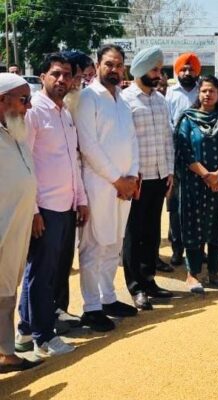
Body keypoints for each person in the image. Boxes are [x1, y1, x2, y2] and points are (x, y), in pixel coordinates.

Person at [14, 54, 88, 357]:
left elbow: (73, 160)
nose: (62, 80)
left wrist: (81, 199)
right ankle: (44, 337)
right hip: (44, 207)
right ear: (42, 76)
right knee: (42, 273)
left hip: (66, 205)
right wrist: (32, 210)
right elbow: (24, 161)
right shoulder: (33, 113)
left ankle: (25, 330)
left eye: (67, 74)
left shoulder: (66, 112)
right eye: (55, 74)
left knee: (47, 270)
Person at [75, 44, 140, 332]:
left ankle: (108, 298)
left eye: (118, 65)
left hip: (124, 187)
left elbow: (132, 141)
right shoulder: (88, 98)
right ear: (98, 65)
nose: (114, 70)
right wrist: (117, 179)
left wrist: (133, 177)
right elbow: (88, 145)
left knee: (114, 243)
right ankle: (91, 307)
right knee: (94, 245)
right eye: (109, 64)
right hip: (99, 185)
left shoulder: (122, 101)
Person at [174, 76, 218, 294]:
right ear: (198, 93)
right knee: (194, 225)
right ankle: (192, 274)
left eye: (212, 91)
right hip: (195, 183)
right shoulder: (188, 119)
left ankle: (214, 273)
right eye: (204, 91)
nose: (207, 95)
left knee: (217, 224)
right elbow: (184, 150)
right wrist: (206, 175)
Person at [121, 46, 175, 311]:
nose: (159, 75)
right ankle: (136, 287)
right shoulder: (125, 100)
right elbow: (122, 141)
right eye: (155, 70)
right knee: (134, 233)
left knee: (152, 231)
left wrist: (170, 171)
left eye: (160, 70)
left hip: (159, 175)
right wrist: (129, 175)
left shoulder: (160, 100)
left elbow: (167, 138)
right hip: (137, 179)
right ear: (141, 70)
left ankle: (149, 280)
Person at [0, 73, 42, 373]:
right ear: (2, 100)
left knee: (6, 291)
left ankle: (6, 353)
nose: (28, 106)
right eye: (24, 100)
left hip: (17, 226)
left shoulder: (15, 130)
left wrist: (34, 211)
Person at [165, 52, 201, 267]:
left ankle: (196, 249)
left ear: (197, 71)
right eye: (183, 69)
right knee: (176, 206)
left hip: (200, 158)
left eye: (191, 69)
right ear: (177, 72)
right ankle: (177, 248)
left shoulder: (203, 91)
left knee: (198, 205)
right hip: (175, 158)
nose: (187, 73)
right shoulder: (169, 94)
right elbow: (167, 124)